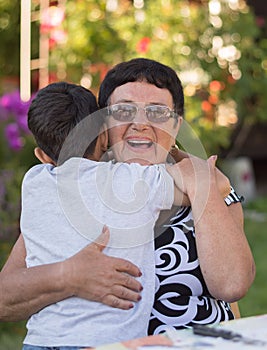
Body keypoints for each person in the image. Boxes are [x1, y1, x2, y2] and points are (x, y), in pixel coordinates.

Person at [0, 59, 255, 338]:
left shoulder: (212, 190)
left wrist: (201, 182)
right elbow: (5, 298)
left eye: (157, 112)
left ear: (176, 126)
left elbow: (231, 287)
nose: (140, 124)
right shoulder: (70, 195)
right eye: (123, 111)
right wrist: (68, 276)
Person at [19, 80, 196, 349]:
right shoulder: (137, 180)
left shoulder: (33, 182)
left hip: (41, 339)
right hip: (109, 341)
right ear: (103, 135)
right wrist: (175, 153)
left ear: (41, 155)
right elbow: (197, 187)